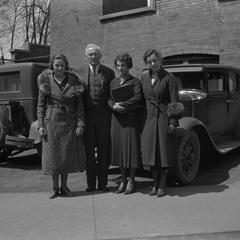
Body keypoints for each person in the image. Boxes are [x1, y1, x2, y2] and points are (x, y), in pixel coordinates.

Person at [37, 53, 85, 199]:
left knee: (66, 156)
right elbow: (40, 105)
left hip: (69, 122)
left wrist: (81, 123)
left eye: (62, 65)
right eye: (57, 65)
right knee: (53, 158)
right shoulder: (45, 80)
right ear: (52, 66)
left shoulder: (74, 80)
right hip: (51, 123)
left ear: (66, 66)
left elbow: (80, 105)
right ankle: (54, 188)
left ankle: (64, 186)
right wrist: (40, 124)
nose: (59, 68)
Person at [140, 49, 181, 197]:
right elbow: (140, 100)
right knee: (152, 153)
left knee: (163, 152)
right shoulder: (144, 78)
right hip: (149, 119)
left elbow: (174, 101)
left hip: (164, 118)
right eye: (149, 61)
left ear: (160, 61)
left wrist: (173, 121)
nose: (152, 63)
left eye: (155, 60)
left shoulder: (169, 78)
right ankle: (154, 184)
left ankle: (162, 185)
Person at [76, 44, 115, 192]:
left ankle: (103, 184)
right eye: (90, 54)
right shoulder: (79, 72)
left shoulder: (109, 72)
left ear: (100, 55)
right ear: (86, 56)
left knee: (104, 151)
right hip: (87, 117)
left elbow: (112, 95)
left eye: (95, 54)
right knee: (89, 152)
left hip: (104, 117)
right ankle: (91, 184)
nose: (93, 57)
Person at [108, 53, 143, 194]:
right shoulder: (113, 82)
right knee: (120, 151)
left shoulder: (135, 82)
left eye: (123, 65)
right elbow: (109, 98)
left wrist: (123, 105)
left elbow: (138, 98)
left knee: (131, 150)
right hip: (117, 120)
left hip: (130, 119)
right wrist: (113, 106)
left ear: (128, 66)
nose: (120, 68)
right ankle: (122, 180)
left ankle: (131, 180)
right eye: (118, 65)